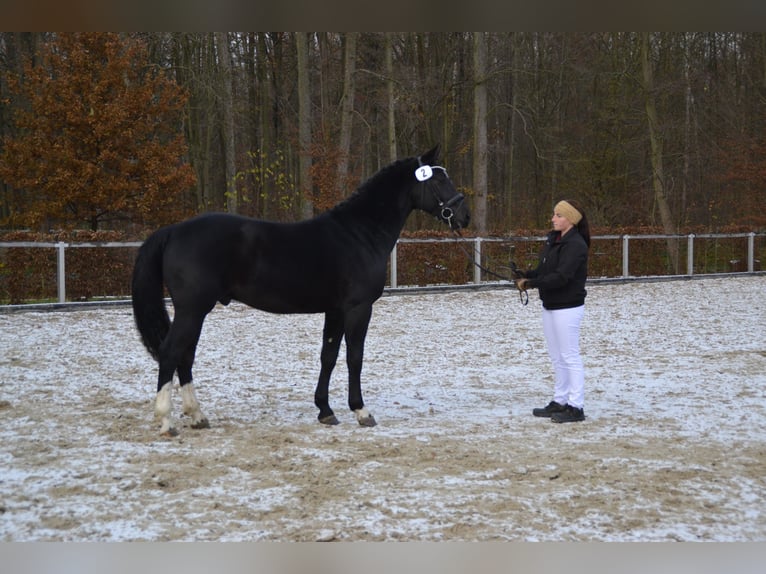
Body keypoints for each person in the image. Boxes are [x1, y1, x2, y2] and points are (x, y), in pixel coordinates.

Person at [514, 199, 590, 423]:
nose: (553, 219)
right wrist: (525, 275)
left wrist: (531, 284)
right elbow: (544, 271)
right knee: (558, 357)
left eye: (558, 215)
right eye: (554, 214)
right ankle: (560, 400)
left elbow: (562, 276)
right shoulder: (554, 241)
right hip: (551, 306)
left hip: (568, 307)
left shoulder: (575, 245)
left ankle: (576, 407)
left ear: (570, 219)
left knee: (569, 356)